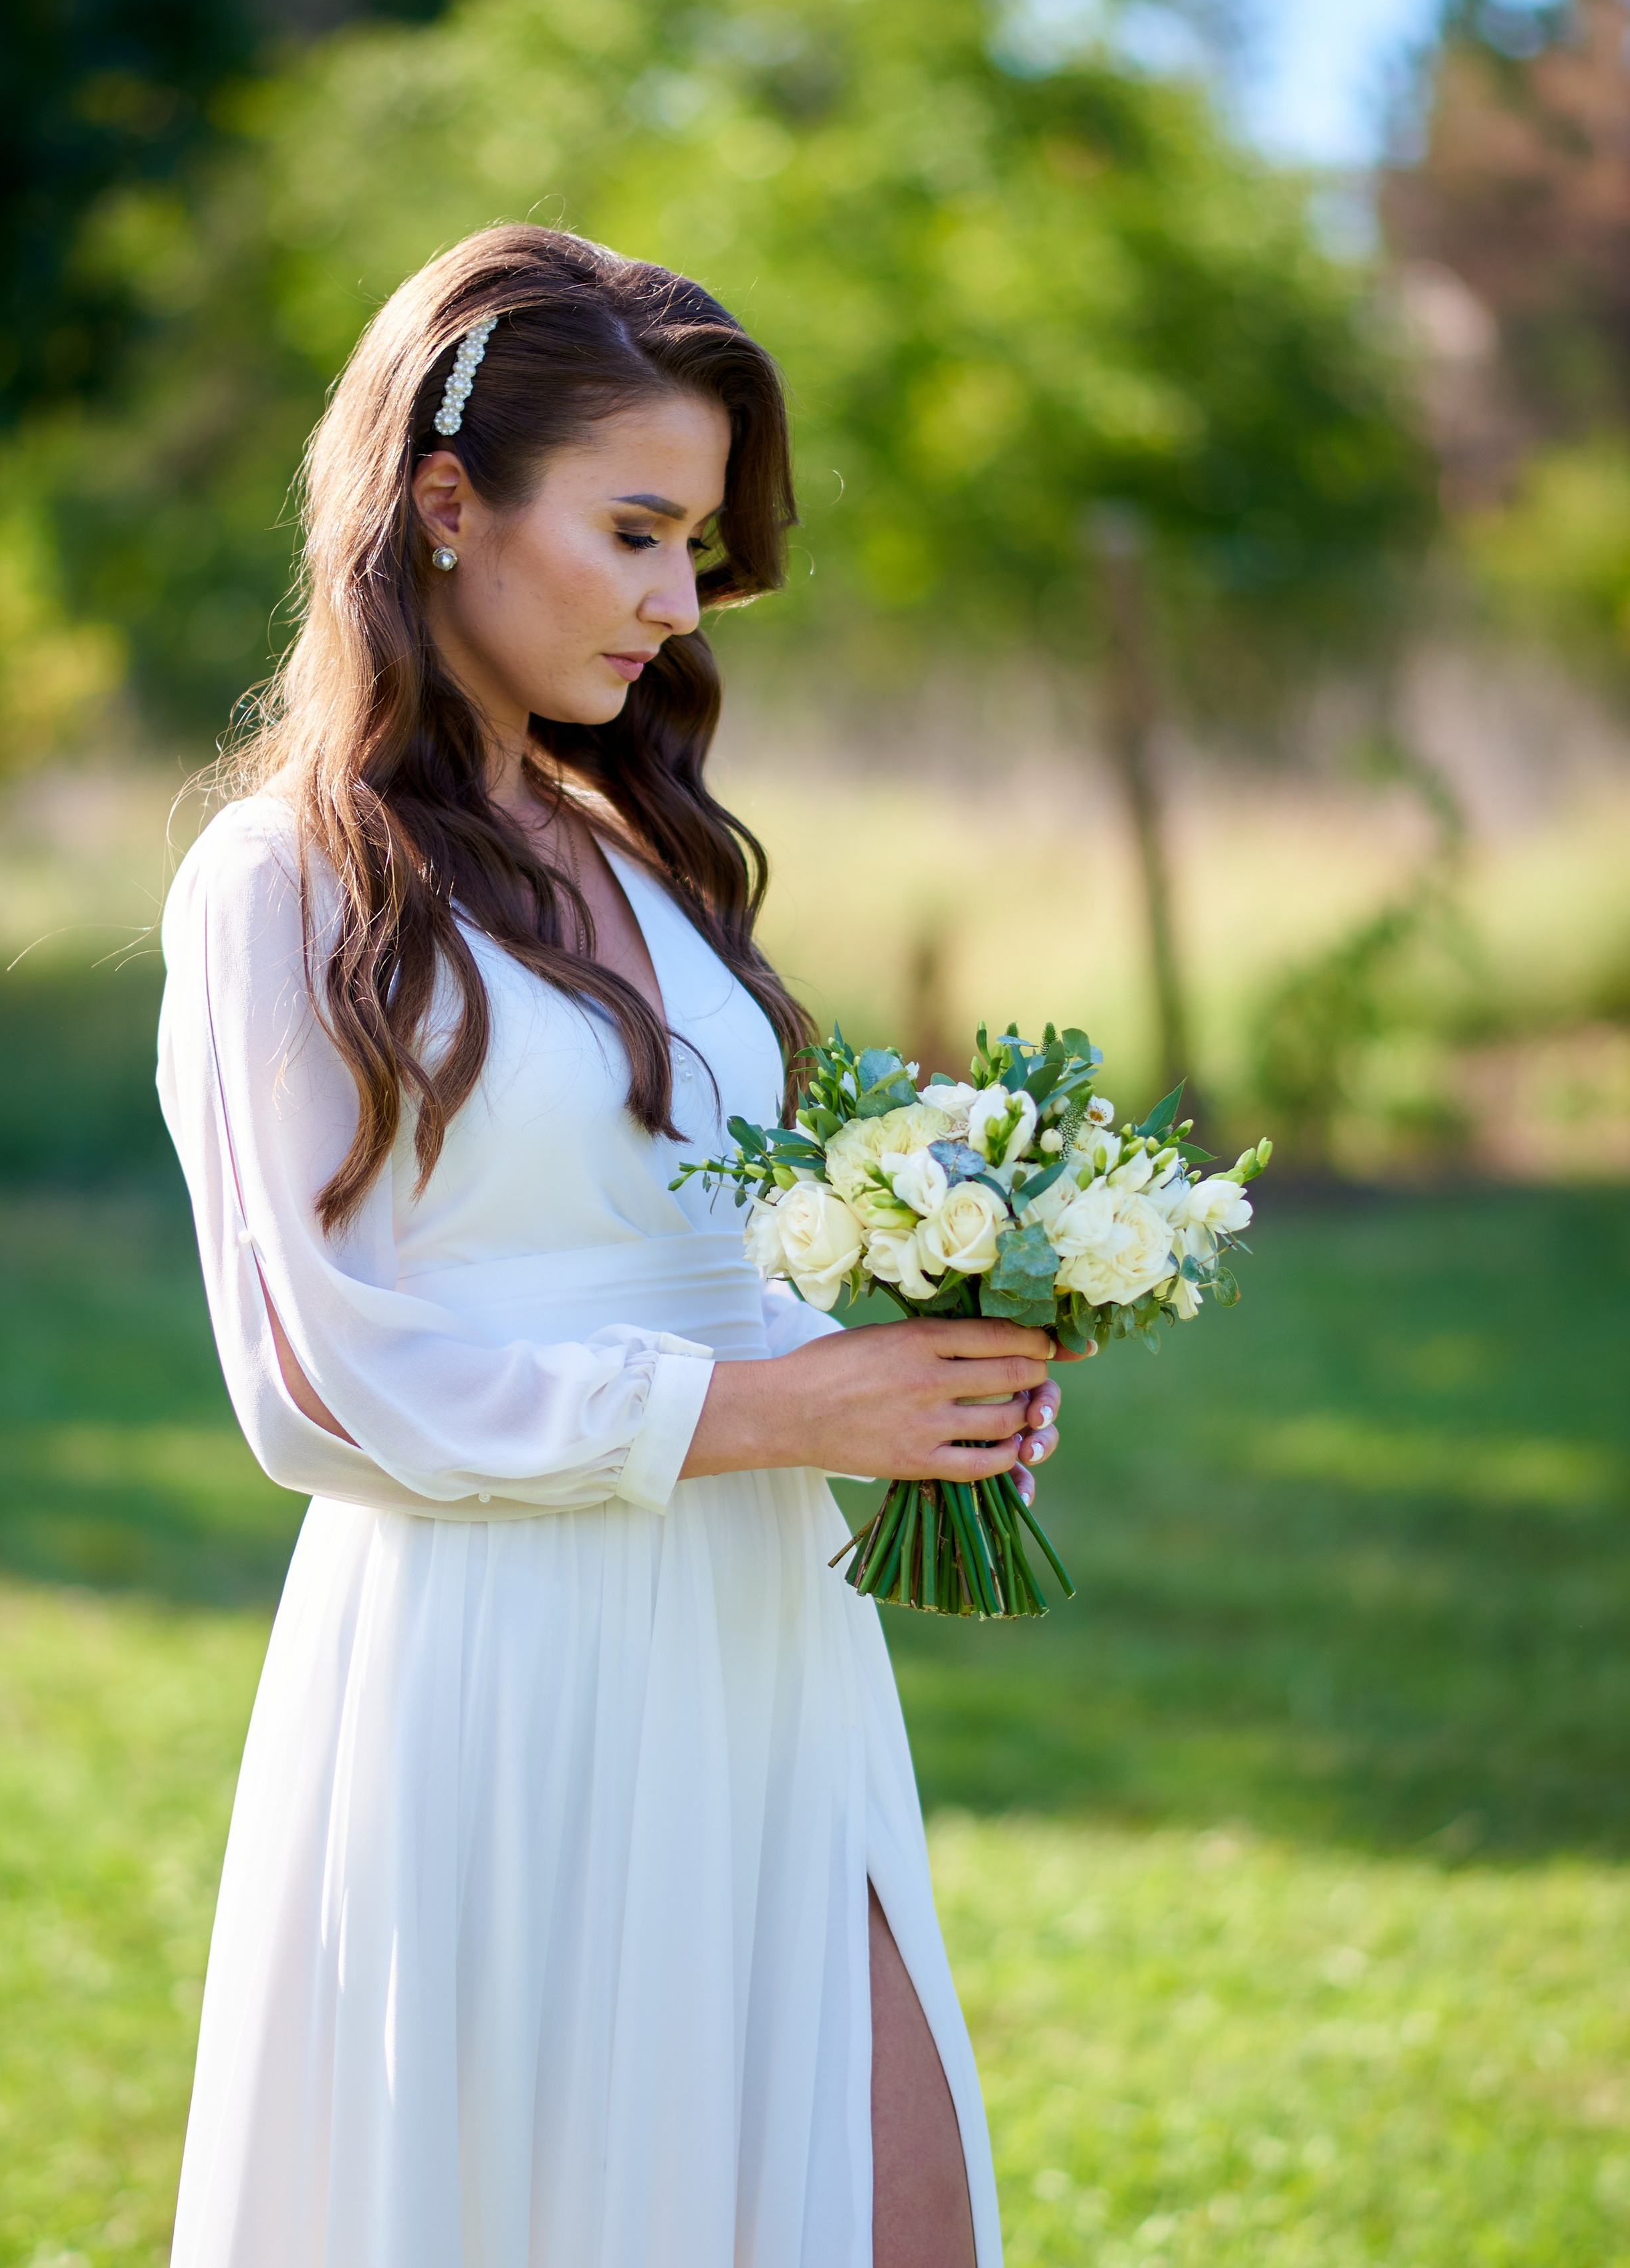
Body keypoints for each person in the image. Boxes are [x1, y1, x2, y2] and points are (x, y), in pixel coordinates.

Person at [156, 223, 1068, 2268]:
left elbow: (698, 1233)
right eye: (641, 529)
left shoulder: (646, 842)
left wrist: (915, 1373)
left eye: (703, 545)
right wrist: (764, 1406)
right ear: (448, 506)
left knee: (885, 2211)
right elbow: (322, 1378)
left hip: (761, 1631)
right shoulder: (281, 882)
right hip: (507, 1658)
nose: (679, 600)